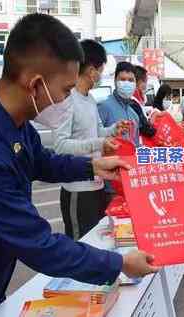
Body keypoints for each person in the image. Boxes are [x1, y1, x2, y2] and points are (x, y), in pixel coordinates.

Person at [0, 14, 158, 317]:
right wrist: (119, 264)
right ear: (35, 84)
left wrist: (92, 167)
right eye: (65, 90)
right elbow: (38, 244)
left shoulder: (10, 117)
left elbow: (41, 161)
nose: (66, 100)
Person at [53, 39, 130, 239]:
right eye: (101, 69)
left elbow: (98, 133)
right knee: (80, 244)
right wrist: (99, 142)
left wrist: (113, 130)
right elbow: (60, 146)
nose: (101, 75)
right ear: (91, 70)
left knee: (94, 244)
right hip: (77, 189)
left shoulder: (89, 99)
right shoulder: (67, 99)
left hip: (96, 184)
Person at [98, 62, 146, 145]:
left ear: (135, 83)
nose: (127, 83)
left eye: (131, 80)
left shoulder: (134, 115)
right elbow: (94, 137)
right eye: (122, 79)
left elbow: (136, 145)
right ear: (115, 81)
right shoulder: (104, 106)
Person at [129, 65, 156, 138]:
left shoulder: (135, 100)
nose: (146, 85)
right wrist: (153, 116)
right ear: (140, 82)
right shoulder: (132, 102)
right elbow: (146, 129)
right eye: (146, 81)